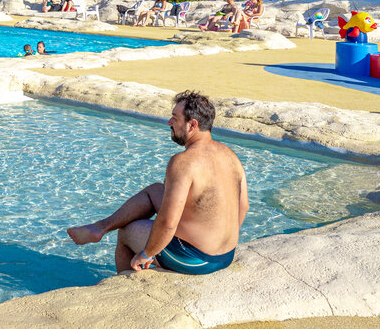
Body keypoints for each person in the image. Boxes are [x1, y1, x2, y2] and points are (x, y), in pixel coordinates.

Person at [66, 90, 248, 275]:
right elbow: (244, 206)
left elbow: (168, 222)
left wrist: (147, 253)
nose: (169, 122)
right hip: (226, 256)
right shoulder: (230, 155)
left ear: (192, 125)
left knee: (126, 232)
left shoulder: (183, 162)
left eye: (174, 118)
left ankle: (126, 285)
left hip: (196, 259)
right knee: (155, 190)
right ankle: (99, 227)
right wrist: (218, 239)